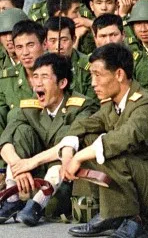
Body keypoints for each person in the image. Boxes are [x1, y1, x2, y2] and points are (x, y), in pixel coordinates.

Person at [57, 43, 148, 238]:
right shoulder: (112, 104)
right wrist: (68, 153)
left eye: (98, 75)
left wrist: (79, 158)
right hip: (141, 181)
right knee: (89, 138)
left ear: (118, 74)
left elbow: (125, 138)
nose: (93, 83)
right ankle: (111, 212)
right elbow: (83, 125)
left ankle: (133, 220)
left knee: (108, 149)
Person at [0, 53, 95, 225]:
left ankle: (36, 204)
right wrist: (18, 166)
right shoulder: (29, 107)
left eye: (45, 77)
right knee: (21, 131)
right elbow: (5, 140)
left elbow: (69, 142)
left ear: (62, 83)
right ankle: (12, 200)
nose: (37, 83)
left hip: (63, 182)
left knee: (67, 133)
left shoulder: (82, 106)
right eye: (35, 77)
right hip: (30, 178)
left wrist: (31, 162)